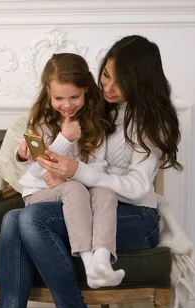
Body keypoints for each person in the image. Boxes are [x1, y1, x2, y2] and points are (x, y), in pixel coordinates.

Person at [0, 35, 182, 308]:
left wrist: (77, 172)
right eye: (106, 75)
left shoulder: (151, 122)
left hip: (134, 217)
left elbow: (136, 188)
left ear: (140, 82)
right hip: (92, 206)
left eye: (120, 83)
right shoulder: (96, 105)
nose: (108, 88)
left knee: (28, 219)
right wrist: (33, 151)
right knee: (12, 219)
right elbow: (57, 145)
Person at [15, 53, 124, 289]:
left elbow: (99, 167)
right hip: (39, 194)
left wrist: (65, 174)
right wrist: (65, 139)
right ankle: (88, 267)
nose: (67, 105)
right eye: (58, 98)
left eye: (74, 97)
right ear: (48, 93)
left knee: (105, 192)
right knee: (73, 188)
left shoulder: (95, 122)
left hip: (78, 189)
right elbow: (36, 173)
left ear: (86, 90)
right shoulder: (40, 122)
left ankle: (102, 260)